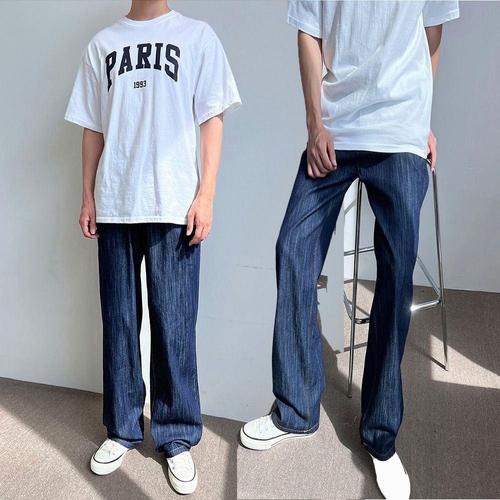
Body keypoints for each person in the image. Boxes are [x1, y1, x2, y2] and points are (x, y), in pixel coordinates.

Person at [240, 1, 458, 498]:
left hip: (399, 131)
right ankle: (295, 409)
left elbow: (433, 33)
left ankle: (381, 436)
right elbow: (309, 33)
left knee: (396, 273)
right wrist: (315, 124)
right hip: (336, 129)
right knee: (293, 250)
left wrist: (420, 118)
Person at [65, 0, 240, 494]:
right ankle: (122, 428)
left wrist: (206, 196)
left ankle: (176, 436)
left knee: (174, 324)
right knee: (120, 321)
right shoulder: (102, 44)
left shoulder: (197, 37)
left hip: (175, 202)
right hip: (116, 200)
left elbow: (212, 119)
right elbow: (93, 127)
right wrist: (87, 195)